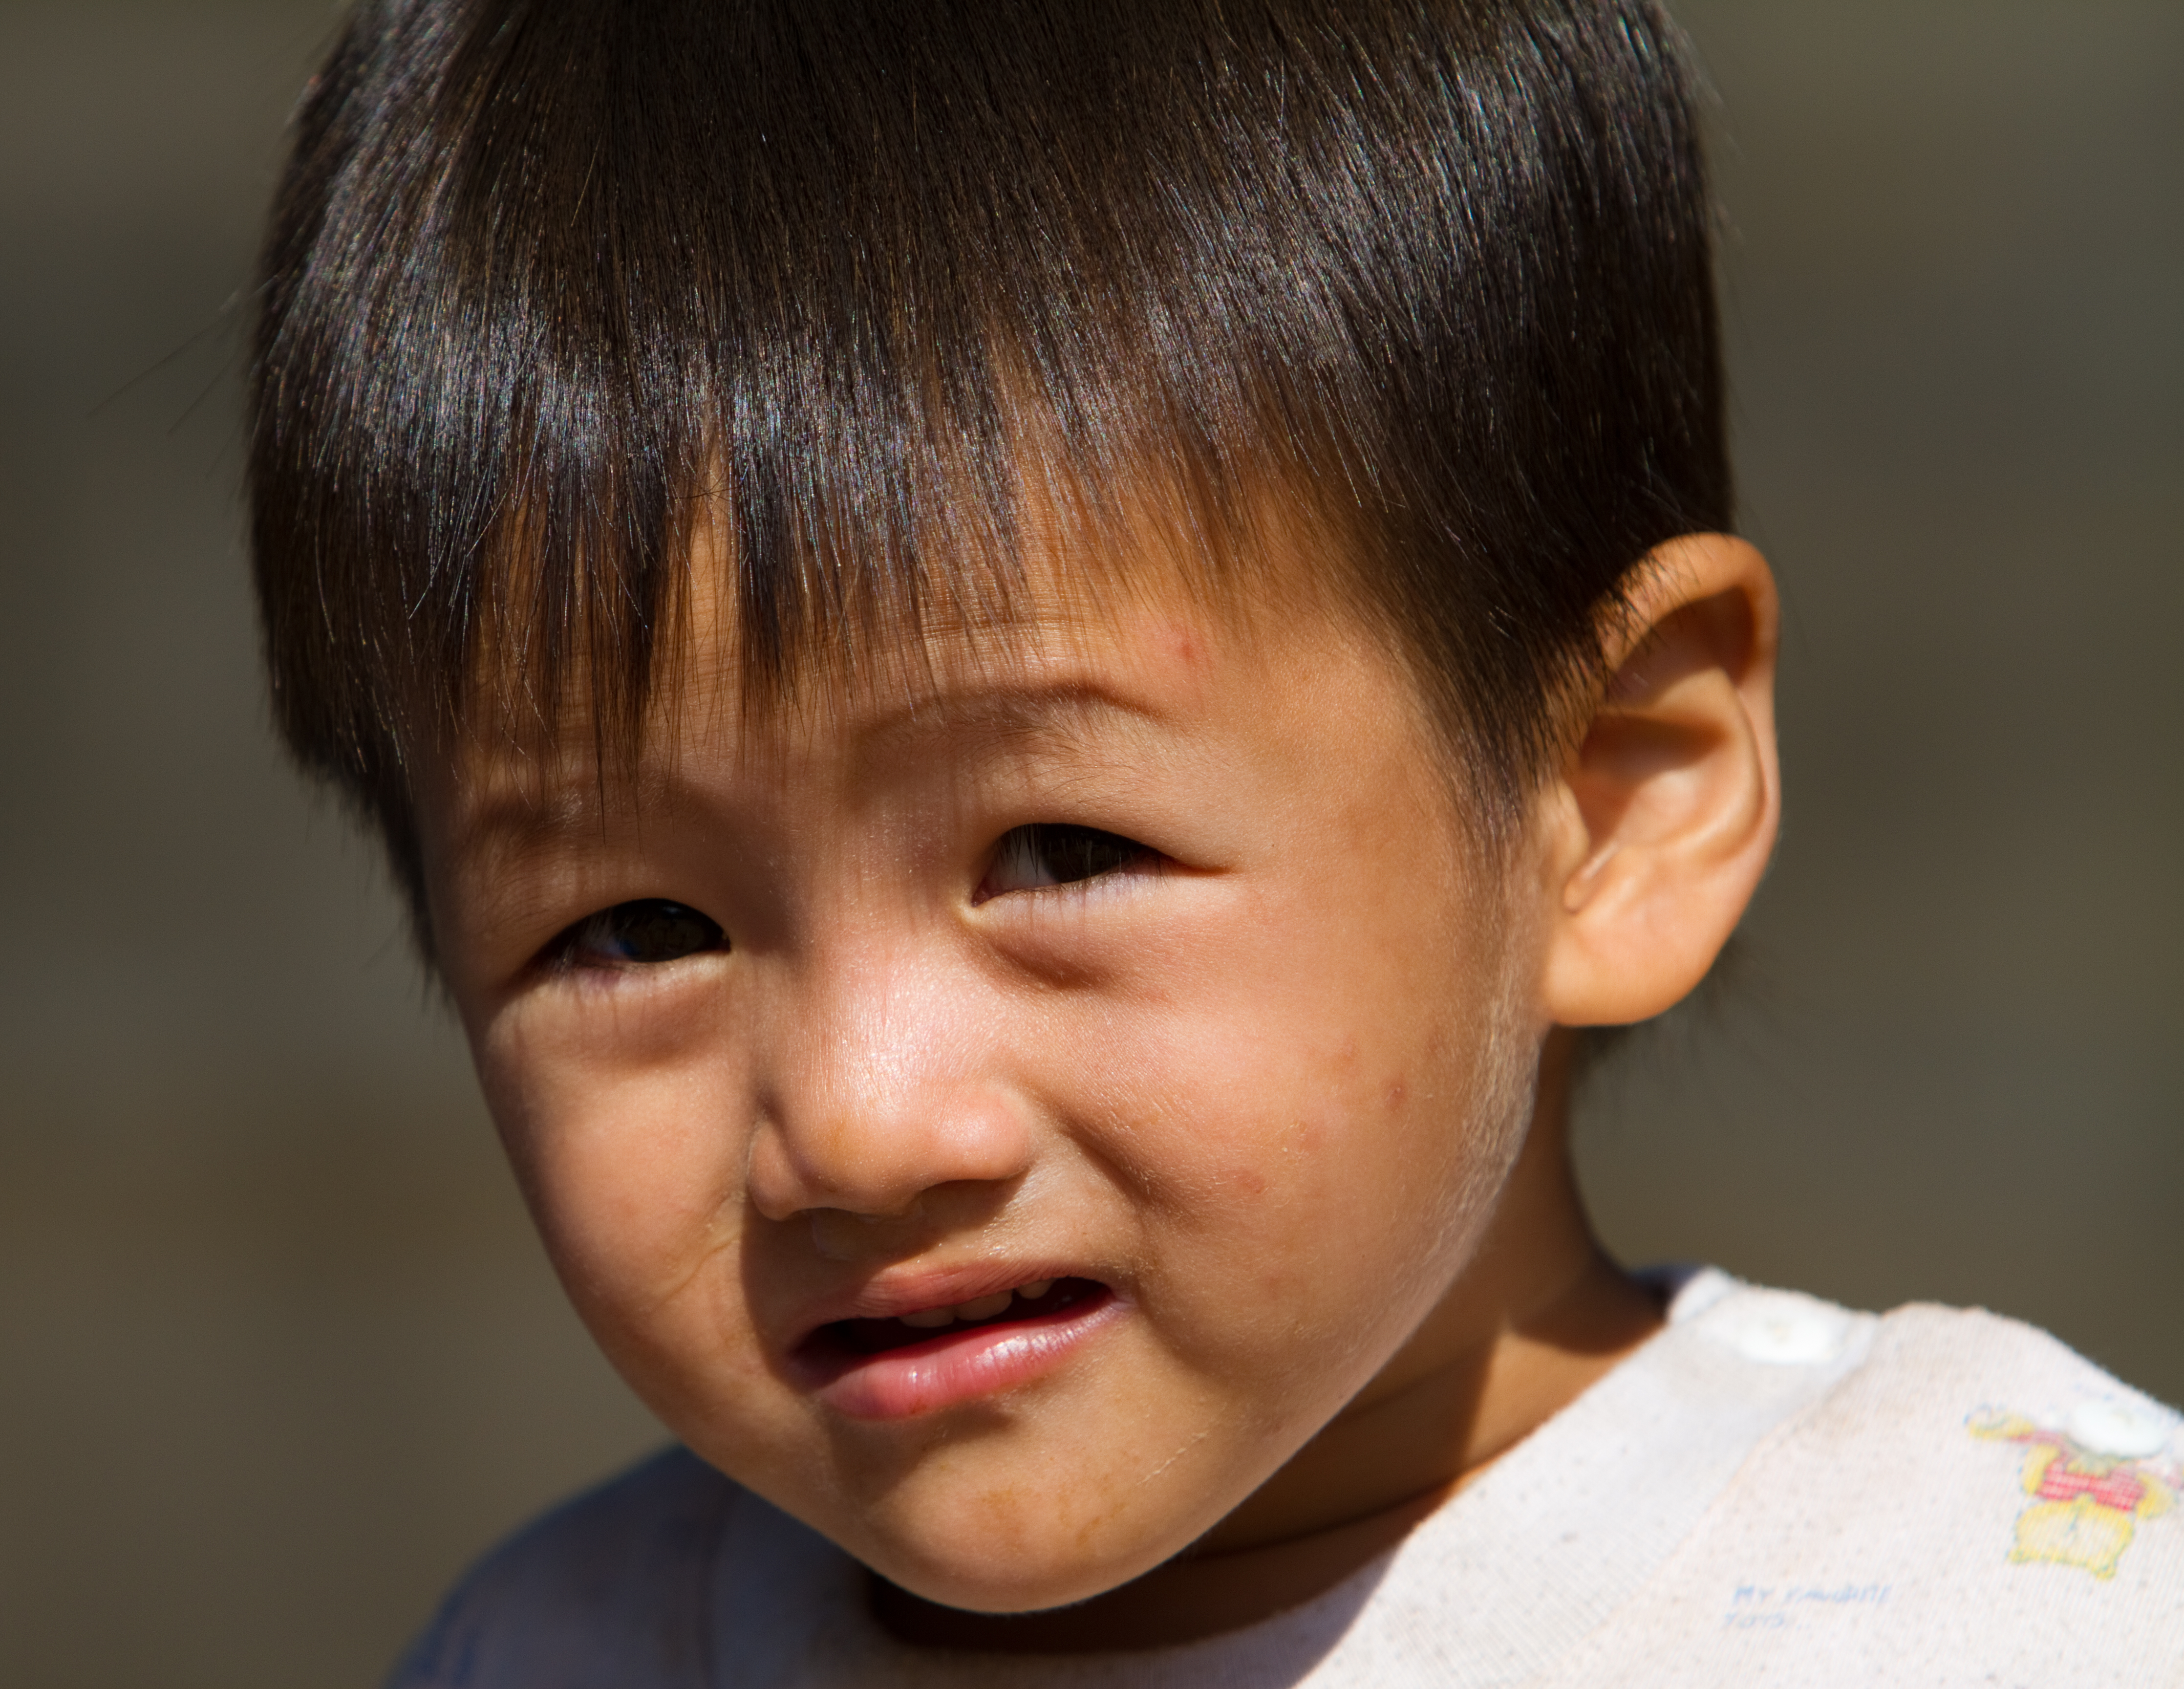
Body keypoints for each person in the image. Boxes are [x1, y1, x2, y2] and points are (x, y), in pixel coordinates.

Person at [244, 1, 2182, 1681]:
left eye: (1062, 850)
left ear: (1609, 800)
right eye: (637, 926)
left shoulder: (2009, 1608)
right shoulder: (562, 1651)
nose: (859, 1124)